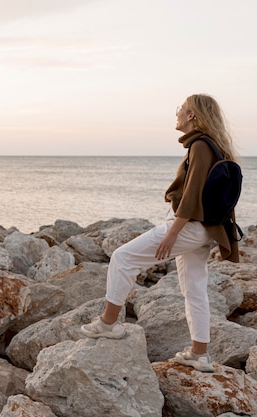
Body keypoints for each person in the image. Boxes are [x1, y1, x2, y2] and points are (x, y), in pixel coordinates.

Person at [80, 94, 239, 373]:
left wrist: (171, 234)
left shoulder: (200, 146)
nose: (177, 112)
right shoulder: (211, 145)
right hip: (203, 229)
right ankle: (199, 354)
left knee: (122, 257)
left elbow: (191, 197)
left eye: (181, 108)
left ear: (192, 116)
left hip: (188, 226)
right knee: (194, 289)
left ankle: (108, 324)